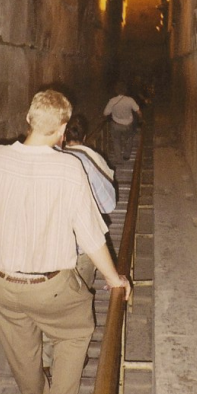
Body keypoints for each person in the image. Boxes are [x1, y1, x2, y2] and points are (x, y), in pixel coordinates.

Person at [0, 89, 131, 394]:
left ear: (29, 119)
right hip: (52, 286)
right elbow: (90, 234)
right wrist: (115, 279)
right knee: (75, 334)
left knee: (21, 347)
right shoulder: (68, 167)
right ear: (63, 129)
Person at [61, 113, 116, 288]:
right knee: (80, 295)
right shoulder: (92, 159)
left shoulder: (53, 158)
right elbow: (109, 204)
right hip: (82, 245)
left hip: (55, 247)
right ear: (84, 137)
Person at [103, 81, 142, 163]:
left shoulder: (112, 101)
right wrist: (140, 118)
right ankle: (126, 155)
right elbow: (138, 112)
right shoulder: (130, 100)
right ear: (125, 90)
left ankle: (118, 159)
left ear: (116, 90)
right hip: (128, 125)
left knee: (116, 141)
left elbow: (105, 113)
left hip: (116, 125)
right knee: (129, 139)